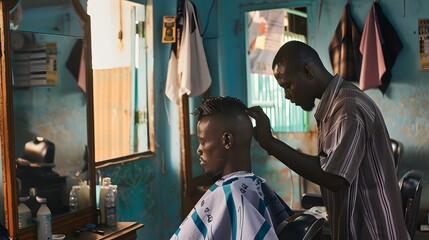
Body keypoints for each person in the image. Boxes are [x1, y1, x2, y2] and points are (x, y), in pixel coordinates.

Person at [246, 41, 410, 240]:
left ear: (307, 71)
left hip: (375, 231)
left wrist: (270, 143)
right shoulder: (335, 106)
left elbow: (334, 178)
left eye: (288, 85)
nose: (287, 95)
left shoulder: (348, 108)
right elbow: (329, 168)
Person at [170, 96, 293, 240]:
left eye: (203, 142)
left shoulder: (232, 193)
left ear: (227, 140)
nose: (199, 150)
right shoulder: (254, 186)